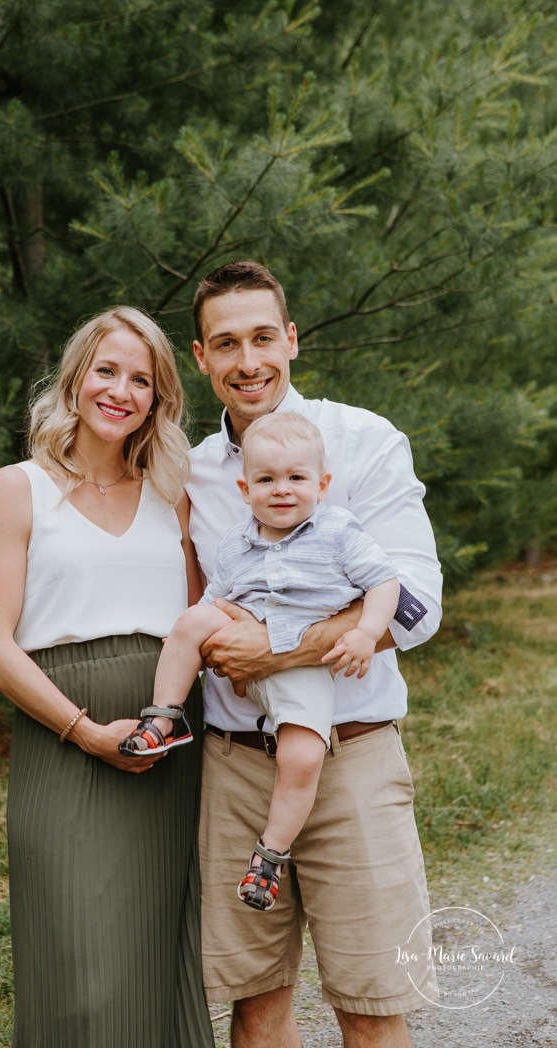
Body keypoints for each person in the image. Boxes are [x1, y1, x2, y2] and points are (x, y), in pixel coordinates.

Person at [185, 261, 442, 1048]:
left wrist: (276, 650)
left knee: (368, 1002)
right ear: (201, 359)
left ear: (290, 339)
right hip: (233, 766)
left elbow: (416, 604)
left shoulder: (362, 441)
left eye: (263, 337)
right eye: (225, 344)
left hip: (350, 755)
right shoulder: (194, 470)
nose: (247, 361)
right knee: (254, 1004)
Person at [0, 307, 214, 1048]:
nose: (121, 390)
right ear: (74, 380)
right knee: (77, 968)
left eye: (142, 379)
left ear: (159, 399)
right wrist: (82, 729)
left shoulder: (176, 494)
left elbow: (201, 618)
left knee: (161, 961)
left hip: (164, 746)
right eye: (106, 370)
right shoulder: (17, 488)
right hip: (62, 742)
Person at [120, 411, 399, 915]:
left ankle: (269, 855)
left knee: (303, 757)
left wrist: (366, 631)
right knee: (189, 622)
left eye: (296, 478)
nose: (282, 489)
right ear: (246, 489)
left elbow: (385, 582)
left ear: (323, 483)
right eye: (267, 479)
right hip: (239, 641)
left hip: (302, 667)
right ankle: (164, 716)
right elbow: (216, 600)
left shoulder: (337, 531)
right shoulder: (237, 539)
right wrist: (204, 635)